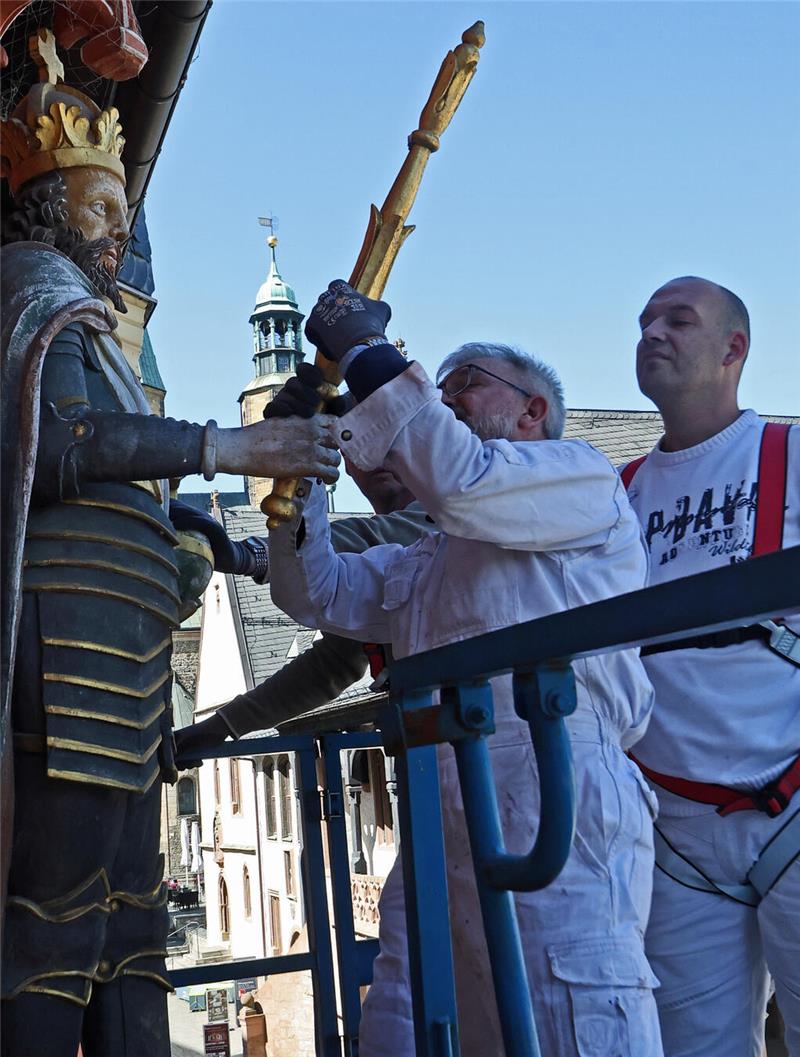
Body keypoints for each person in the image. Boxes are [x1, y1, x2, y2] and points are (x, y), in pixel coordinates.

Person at [0, 39, 338, 1057]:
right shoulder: (29, 282)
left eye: (120, 209)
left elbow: (117, 487)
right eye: (100, 207)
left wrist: (193, 537)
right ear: (47, 209)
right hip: (71, 641)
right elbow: (62, 445)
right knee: (58, 920)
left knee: (129, 927)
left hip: (123, 647)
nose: (115, 230)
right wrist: (223, 447)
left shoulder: (89, 323)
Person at [267, 281, 664, 1057]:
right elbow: (313, 591)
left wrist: (365, 349)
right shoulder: (429, 556)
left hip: (556, 802)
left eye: (465, 383)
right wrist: (302, 469)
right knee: (408, 1027)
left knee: (567, 1019)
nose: (442, 398)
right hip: (437, 806)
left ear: (532, 411)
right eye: (436, 387)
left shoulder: (580, 479)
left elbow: (461, 481)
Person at [623, 276, 800, 1057]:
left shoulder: (792, 455)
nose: (652, 332)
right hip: (676, 833)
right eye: (645, 321)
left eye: (678, 320)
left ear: (734, 348)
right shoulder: (615, 494)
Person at [169, 424, 429, 758]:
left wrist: (250, 556)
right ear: (347, 463)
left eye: (393, 439)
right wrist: (221, 725)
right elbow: (335, 662)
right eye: (362, 442)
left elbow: (385, 540)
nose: (378, 456)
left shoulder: (453, 517)